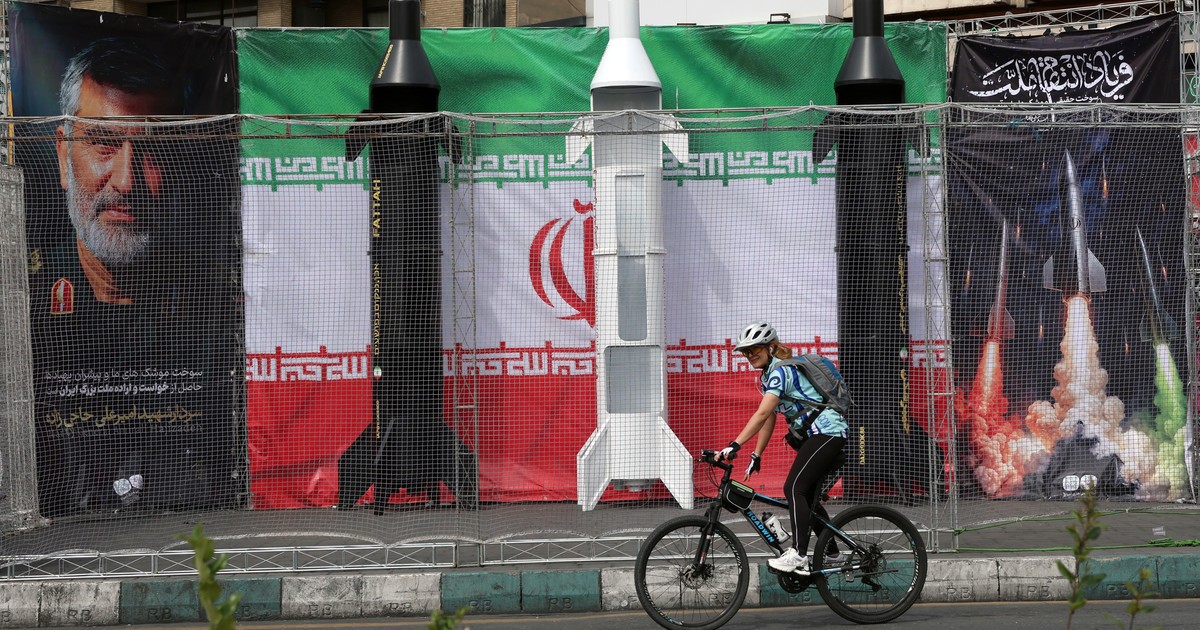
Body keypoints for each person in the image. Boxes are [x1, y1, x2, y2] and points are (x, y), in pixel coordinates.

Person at [717, 321, 849, 575]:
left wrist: (734, 444)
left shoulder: (780, 372)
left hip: (828, 432)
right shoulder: (768, 376)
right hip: (817, 435)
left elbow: (761, 413)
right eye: (746, 352)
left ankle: (799, 554)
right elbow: (769, 418)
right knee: (807, 497)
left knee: (794, 488)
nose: (750, 355)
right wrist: (756, 454)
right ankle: (833, 554)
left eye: (755, 349)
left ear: (770, 347)